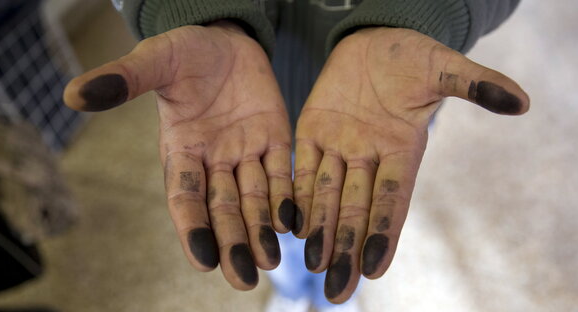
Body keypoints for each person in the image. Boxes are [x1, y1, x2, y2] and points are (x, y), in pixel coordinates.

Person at [63, 0, 529, 310]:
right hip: (236, 108)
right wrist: (194, 10)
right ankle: (290, 289)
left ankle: (335, 297)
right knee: (267, 220)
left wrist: (421, 12)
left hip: (385, 102)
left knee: (356, 211)